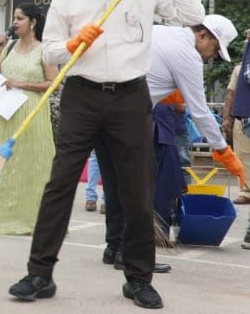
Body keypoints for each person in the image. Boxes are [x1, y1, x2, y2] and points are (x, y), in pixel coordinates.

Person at [8, 0, 205, 309]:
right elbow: (49, 52)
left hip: (131, 97)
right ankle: (39, 274)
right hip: (80, 96)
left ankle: (138, 279)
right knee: (60, 183)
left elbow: (192, 14)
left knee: (137, 189)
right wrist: (72, 44)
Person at [98, 16, 241, 273]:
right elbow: (200, 112)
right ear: (202, 36)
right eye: (215, 50)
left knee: (116, 184)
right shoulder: (187, 54)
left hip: (100, 111)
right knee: (142, 189)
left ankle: (114, 248)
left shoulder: (161, 32)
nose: (212, 57)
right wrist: (223, 150)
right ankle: (131, 255)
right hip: (128, 119)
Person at [0, 3, 57, 235]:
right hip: (3, 113)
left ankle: (31, 219)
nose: (14, 22)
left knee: (31, 165)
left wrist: (21, 84)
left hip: (31, 113)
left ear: (33, 22)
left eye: (20, 18)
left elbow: (54, 83)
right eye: (14, 18)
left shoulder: (44, 51)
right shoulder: (9, 46)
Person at [224, 28, 250, 204]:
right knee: (243, 156)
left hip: (244, 117)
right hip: (242, 118)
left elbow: (231, 95)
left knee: (245, 156)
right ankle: (246, 191)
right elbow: (230, 95)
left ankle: (247, 191)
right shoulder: (239, 69)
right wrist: (227, 118)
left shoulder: (242, 70)